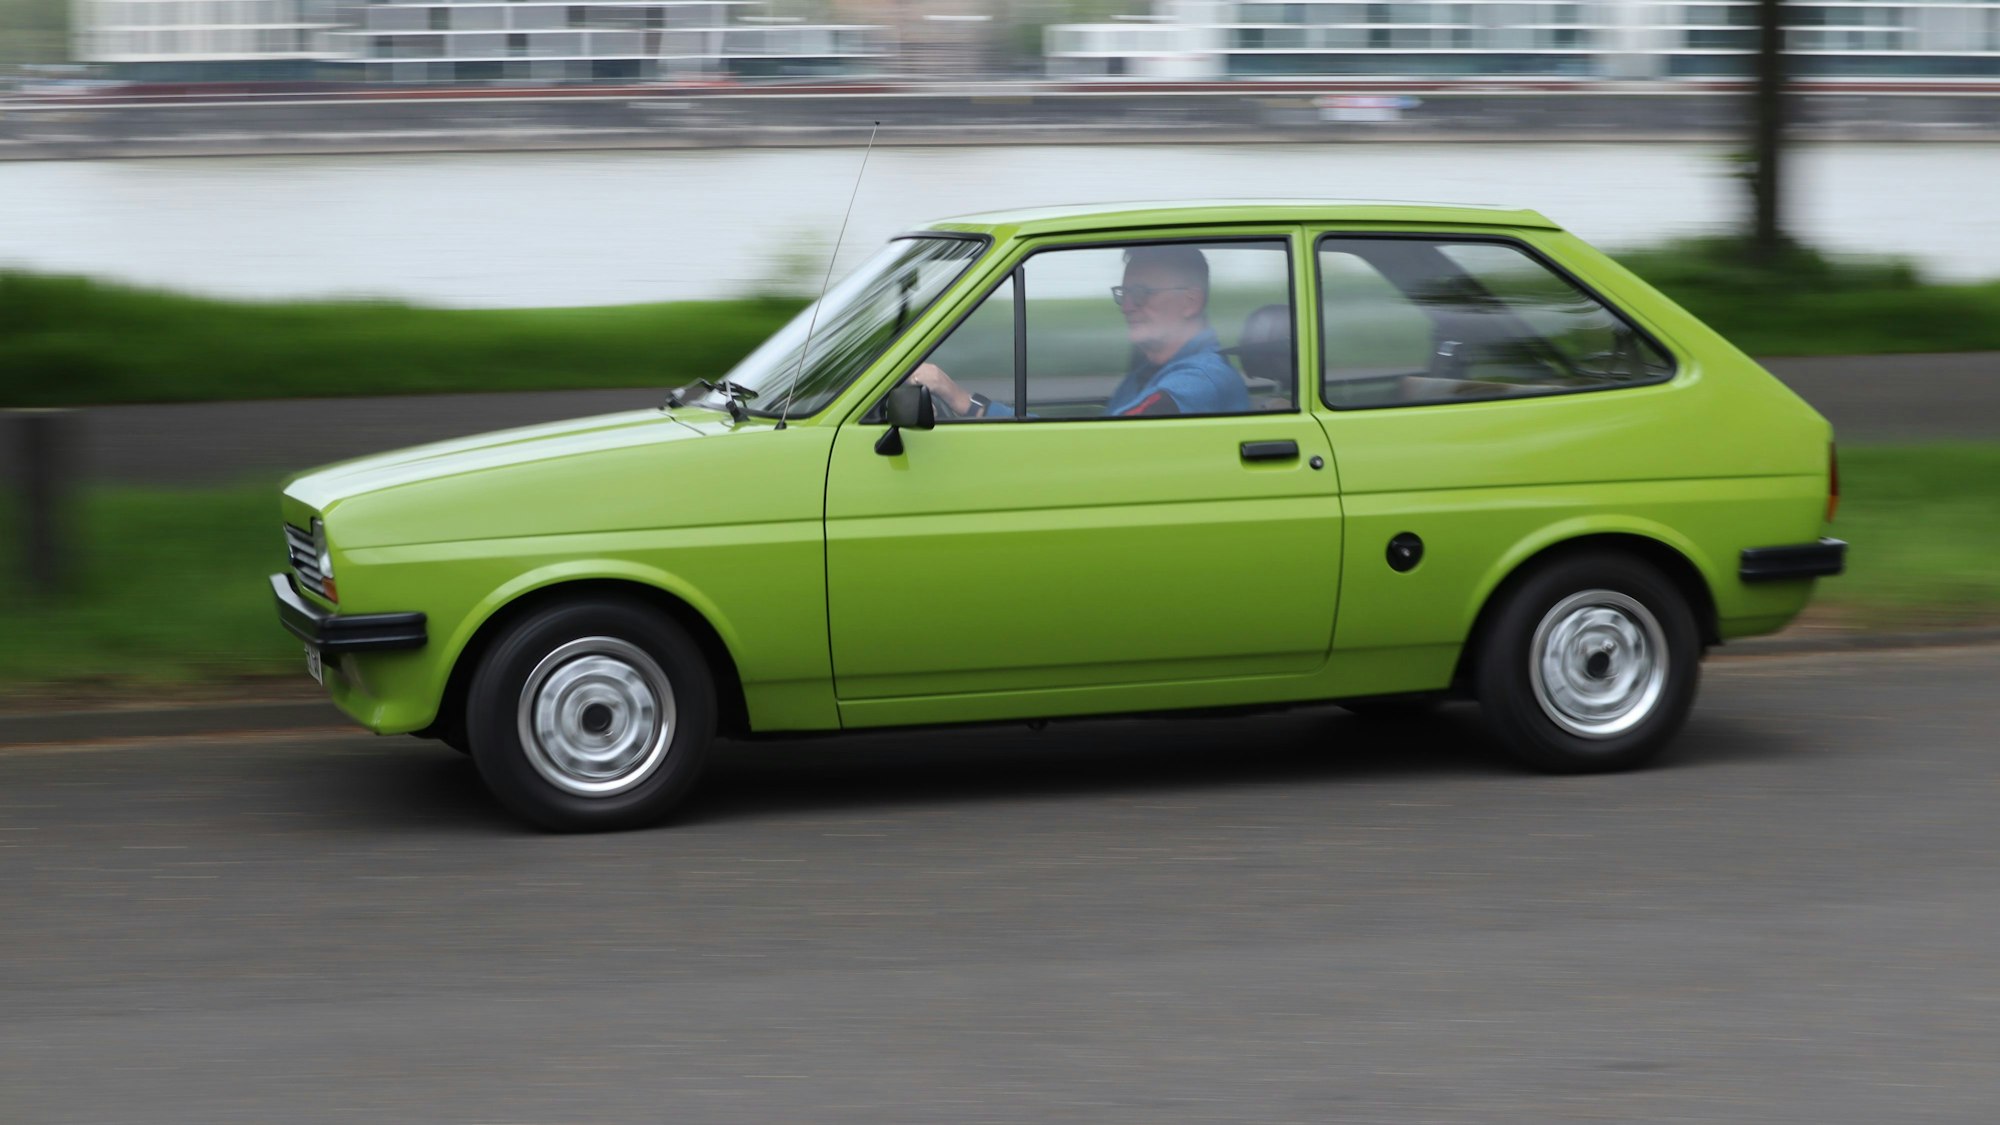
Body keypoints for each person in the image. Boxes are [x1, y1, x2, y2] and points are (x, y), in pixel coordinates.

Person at [911, 245, 1251, 419]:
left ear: (1190, 301)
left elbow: (1097, 444)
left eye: (1141, 294)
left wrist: (963, 401)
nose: (1127, 306)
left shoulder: (1196, 384)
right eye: (1123, 294)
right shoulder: (1149, 375)